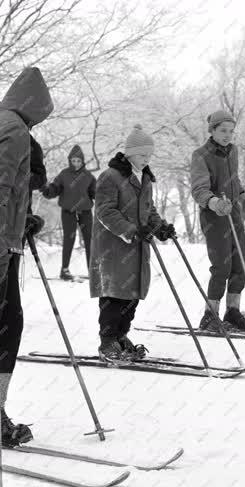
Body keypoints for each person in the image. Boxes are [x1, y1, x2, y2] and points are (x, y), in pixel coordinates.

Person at [89, 125, 175, 362]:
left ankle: (121, 336)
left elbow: (149, 210)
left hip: (137, 247)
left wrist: (160, 228)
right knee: (115, 294)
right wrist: (130, 231)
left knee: (132, 295)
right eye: (142, 155)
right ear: (128, 153)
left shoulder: (145, 177)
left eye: (149, 155)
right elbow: (105, 211)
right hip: (115, 247)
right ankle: (108, 342)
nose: (146, 159)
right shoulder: (110, 177)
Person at [0, 67, 53, 447]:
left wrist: (23, 219)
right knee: (7, 325)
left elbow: (12, 191)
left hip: (7, 238)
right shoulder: (16, 131)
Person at [190, 110, 245, 332]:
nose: (227, 135)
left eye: (231, 131)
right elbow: (199, 190)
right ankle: (210, 315)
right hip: (214, 216)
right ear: (212, 130)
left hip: (233, 213)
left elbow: (234, 179)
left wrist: (244, 197)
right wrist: (215, 203)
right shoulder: (201, 155)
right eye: (222, 130)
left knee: (240, 264)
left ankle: (232, 311)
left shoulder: (233, 151)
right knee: (222, 266)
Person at [41, 145, 96, 280]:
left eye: (79, 161)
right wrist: (47, 190)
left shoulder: (88, 176)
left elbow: (95, 193)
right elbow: (55, 188)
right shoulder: (64, 174)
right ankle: (64, 270)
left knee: (90, 240)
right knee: (69, 239)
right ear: (69, 161)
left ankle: (92, 271)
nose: (76, 163)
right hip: (68, 212)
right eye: (73, 161)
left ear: (82, 161)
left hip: (85, 212)